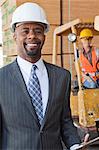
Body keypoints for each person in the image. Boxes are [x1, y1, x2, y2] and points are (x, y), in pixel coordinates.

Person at [0, 2, 88, 150]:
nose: (32, 36)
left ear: (44, 35)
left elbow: (65, 121)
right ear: (14, 35)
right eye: (25, 31)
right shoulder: (2, 79)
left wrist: (75, 145)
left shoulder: (62, 77)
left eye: (38, 30)